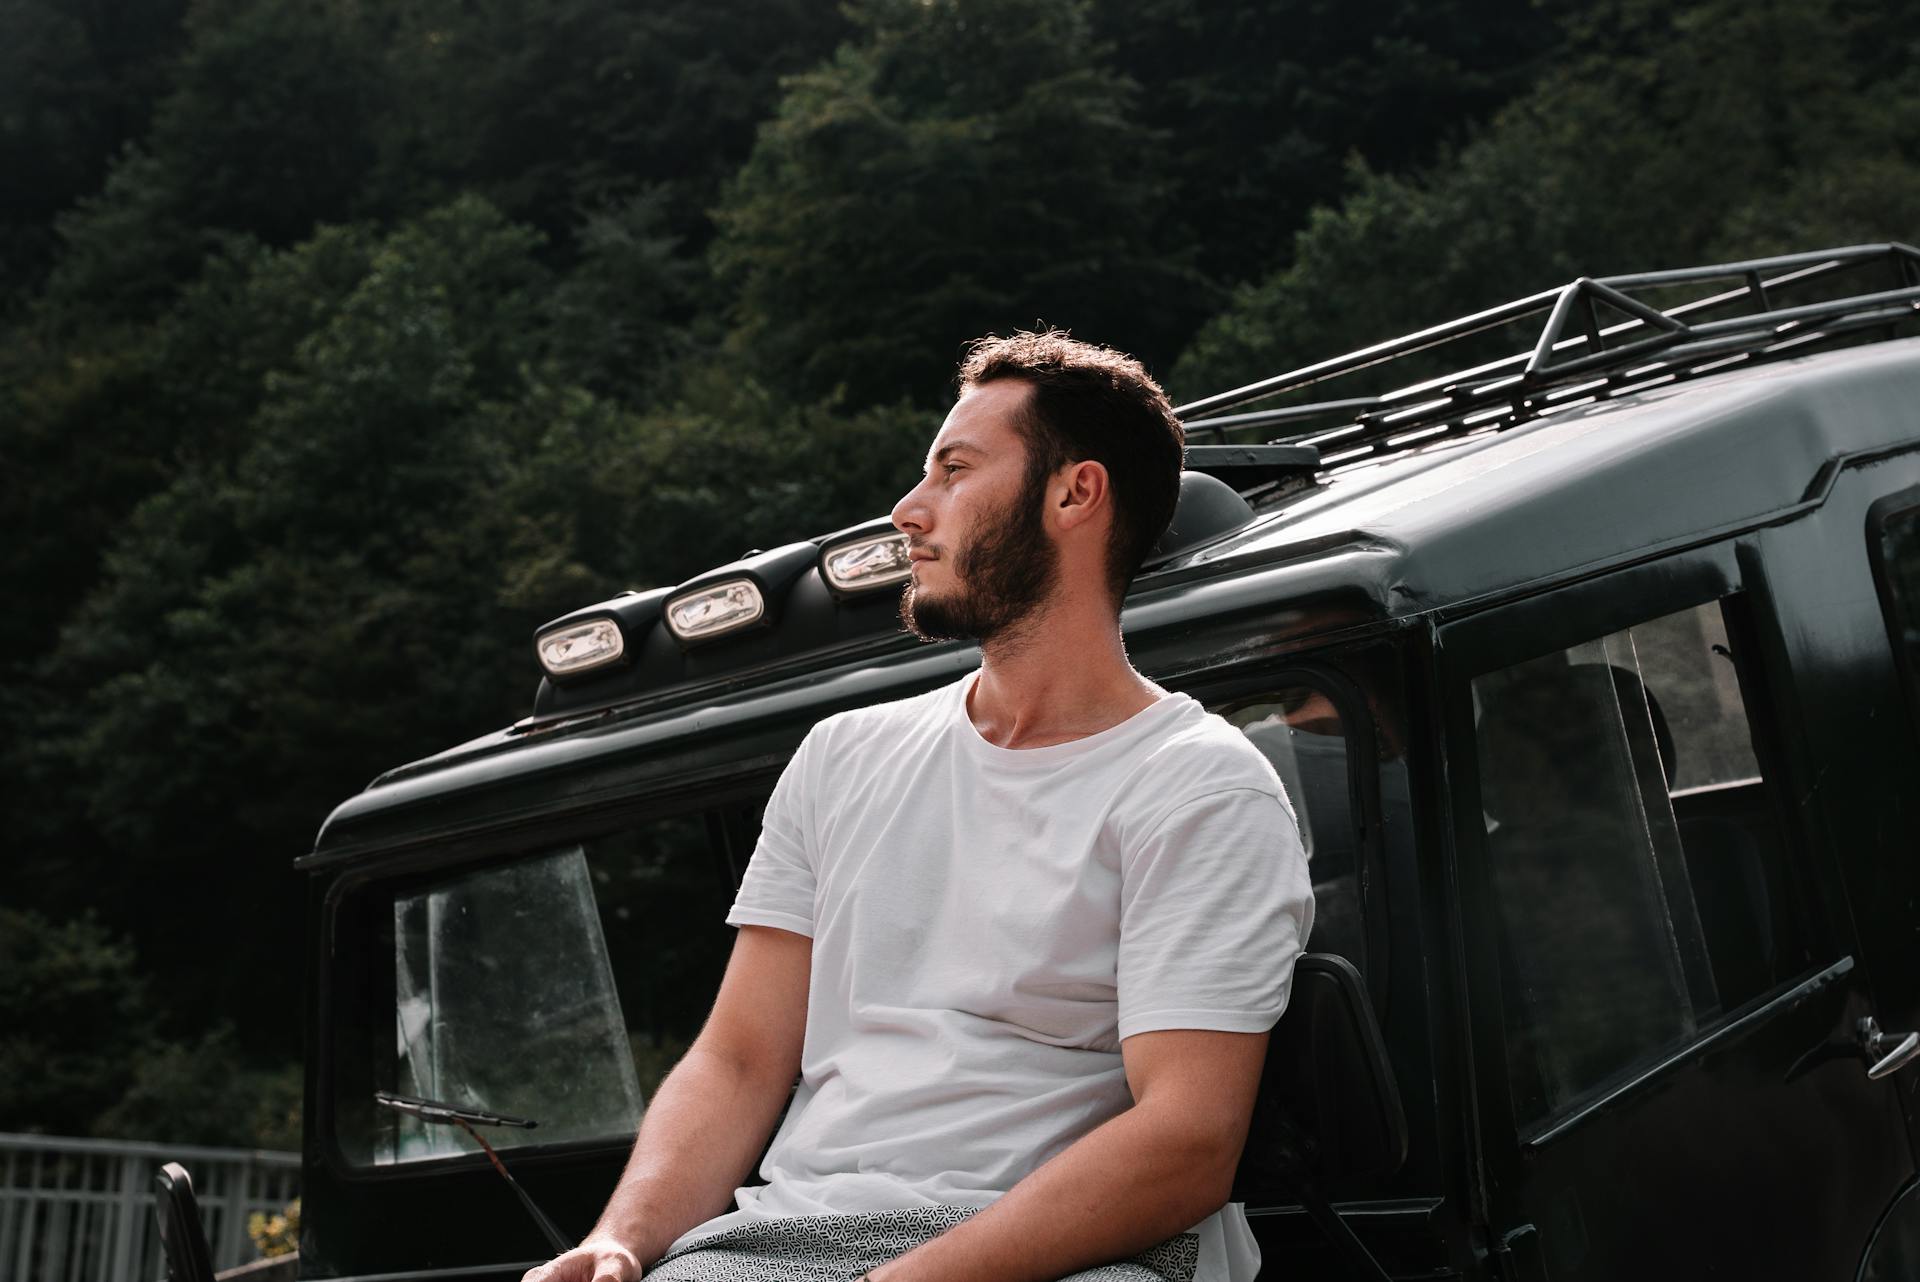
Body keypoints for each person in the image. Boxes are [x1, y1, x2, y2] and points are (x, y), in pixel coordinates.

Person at [524, 331, 1313, 1282]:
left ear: (1075, 494)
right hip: (780, 1244)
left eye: (955, 470)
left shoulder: (1200, 785)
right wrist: (624, 1239)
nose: (908, 509)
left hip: (1066, 1252)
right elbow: (738, 1061)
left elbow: (1187, 1142)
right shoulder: (842, 756)